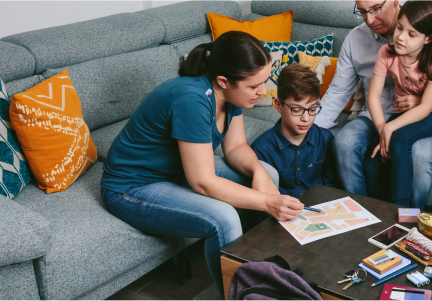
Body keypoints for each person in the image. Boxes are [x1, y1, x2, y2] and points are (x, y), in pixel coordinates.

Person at [99, 31, 304, 294]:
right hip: (131, 187)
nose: (262, 92)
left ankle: (263, 269)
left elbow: (237, 147)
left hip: (175, 171)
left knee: (268, 173)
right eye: (254, 86)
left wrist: (257, 171)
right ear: (223, 81)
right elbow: (203, 182)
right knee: (223, 218)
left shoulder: (230, 95)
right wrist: (267, 202)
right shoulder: (192, 99)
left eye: (263, 82)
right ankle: (236, 294)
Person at [314, 0, 432, 208]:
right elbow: (339, 91)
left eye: (376, 9)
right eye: (362, 12)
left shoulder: (430, 30)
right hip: (377, 115)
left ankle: (409, 221)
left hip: (423, 115)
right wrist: (307, 127)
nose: (370, 19)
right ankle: (364, 217)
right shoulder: (359, 41)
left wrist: (426, 102)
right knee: (344, 143)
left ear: (394, 1)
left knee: (416, 155)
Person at [368, 0, 432, 206]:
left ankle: (401, 213)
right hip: (403, 111)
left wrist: (391, 127)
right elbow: (373, 97)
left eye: (411, 34)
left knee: (400, 140)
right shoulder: (386, 53)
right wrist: (382, 131)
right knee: (375, 157)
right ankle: (381, 212)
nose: (401, 37)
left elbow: (425, 107)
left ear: (428, 38)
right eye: (399, 28)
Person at [251, 64, 337, 198]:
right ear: (278, 105)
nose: (306, 118)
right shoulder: (261, 149)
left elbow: (331, 187)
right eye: (297, 110)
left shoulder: (325, 139)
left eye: (312, 109)